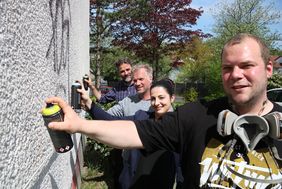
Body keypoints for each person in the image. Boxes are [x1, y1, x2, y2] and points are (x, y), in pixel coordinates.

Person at [45, 33, 282, 188]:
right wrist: (80, 124)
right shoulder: (196, 116)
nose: (236, 75)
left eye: (247, 65)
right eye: (228, 68)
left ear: (268, 68)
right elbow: (133, 132)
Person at [79, 78, 183, 189]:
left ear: (172, 98)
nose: (156, 103)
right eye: (153, 99)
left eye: (161, 98)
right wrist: (90, 103)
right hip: (132, 182)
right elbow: (111, 121)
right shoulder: (142, 117)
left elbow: (181, 166)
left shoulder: (179, 127)